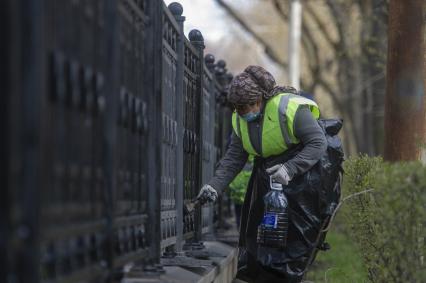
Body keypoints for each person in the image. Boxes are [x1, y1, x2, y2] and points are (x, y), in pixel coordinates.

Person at [196, 65, 327, 283]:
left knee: (292, 241)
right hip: (267, 176)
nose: (244, 112)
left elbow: (317, 142)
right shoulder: (239, 119)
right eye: (238, 107)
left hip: (303, 177)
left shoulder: (290, 108)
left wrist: (290, 168)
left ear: (261, 100)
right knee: (260, 237)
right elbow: (234, 157)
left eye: (248, 106)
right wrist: (214, 186)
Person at [229, 156, 253, 227]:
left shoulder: (238, 160)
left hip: (237, 192)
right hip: (247, 193)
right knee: (246, 212)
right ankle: (243, 227)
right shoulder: (253, 162)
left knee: (238, 212)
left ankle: (238, 226)